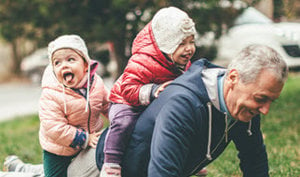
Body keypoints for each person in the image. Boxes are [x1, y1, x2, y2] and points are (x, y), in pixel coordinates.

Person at [96, 44, 288, 177]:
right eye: (261, 99)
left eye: (271, 101)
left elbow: (254, 161)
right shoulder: (183, 104)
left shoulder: (245, 105)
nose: (265, 110)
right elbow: (163, 173)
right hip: (116, 168)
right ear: (233, 78)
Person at [101, 6, 199, 177]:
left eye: (191, 42)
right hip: (126, 100)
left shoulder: (181, 64)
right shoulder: (142, 60)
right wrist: (152, 90)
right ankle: (111, 162)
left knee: (178, 123)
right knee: (124, 122)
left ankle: (188, 158)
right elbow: (127, 88)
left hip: (152, 103)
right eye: (181, 43)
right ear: (165, 44)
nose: (189, 48)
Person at [32, 34, 109, 177]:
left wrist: (120, 118)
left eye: (71, 59)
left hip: (90, 138)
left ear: (86, 64)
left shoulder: (96, 84)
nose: (64, 65)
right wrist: (85, 138)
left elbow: (107, 104)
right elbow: (54, 128)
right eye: (57, 63)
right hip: (58, 149)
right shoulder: (51, 94)